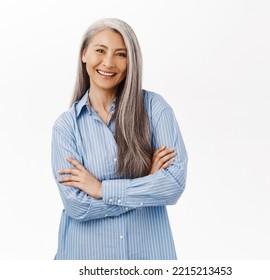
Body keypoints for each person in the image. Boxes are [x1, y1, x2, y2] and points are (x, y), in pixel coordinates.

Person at [51, 18, 188, 260]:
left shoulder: (155, 109)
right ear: (84, 54)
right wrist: (147, 183)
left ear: (131, 62)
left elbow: (173, 186)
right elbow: (77, 205)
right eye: (100, 50)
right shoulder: (66, 127)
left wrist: (101, 189)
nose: (108, 63)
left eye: (121, 54)